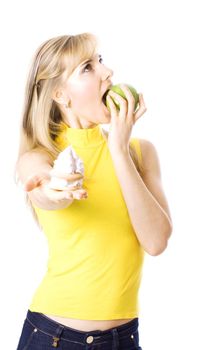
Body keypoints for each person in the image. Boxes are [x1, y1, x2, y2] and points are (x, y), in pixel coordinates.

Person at [15, 33, 173, 350]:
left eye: (99, 60)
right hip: (52, 338)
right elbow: (43, 187)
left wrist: (117, 149)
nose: (107, 72)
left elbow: (156, 242)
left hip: (124, 339)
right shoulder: (42, 156)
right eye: (87, 67)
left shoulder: (141, 153)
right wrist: (57, 189)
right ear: (60, 94)